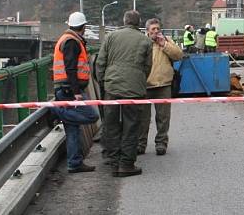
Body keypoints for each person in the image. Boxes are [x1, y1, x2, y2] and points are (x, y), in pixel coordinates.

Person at [96, 10, 152, 177]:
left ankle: (113, 162)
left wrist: (103, 82)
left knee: (111, 124)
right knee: (131, 126)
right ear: (139, 23)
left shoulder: (111, 37)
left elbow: (100, 62)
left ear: (124, 21)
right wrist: (139, 81)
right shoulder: (145, 41)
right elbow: (148, 67)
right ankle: (126, 164)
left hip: (112, 87)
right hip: (134, 89)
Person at [52, 11, 100, 173]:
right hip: (69, 90)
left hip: (65, 89)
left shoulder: (69, 39)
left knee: (73, 128)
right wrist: (76, 91)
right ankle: (56, 111)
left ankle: (74, 163)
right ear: (84, 26)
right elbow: (70, 68)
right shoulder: (72, 42)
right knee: (91, 116)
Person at [138, 18, 183, 155]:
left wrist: (165, 45)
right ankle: (141, 144)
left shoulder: (167, 40)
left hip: (163, 85)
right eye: (153, 29)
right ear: (147, 31)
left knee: (163, 117)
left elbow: (179, 55)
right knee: (143, 119)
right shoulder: (141, 42)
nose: (156, 31)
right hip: (145, 85)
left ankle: (161, 143)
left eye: (158, 28)